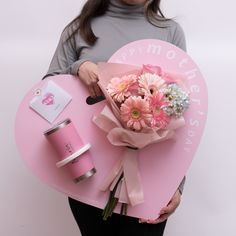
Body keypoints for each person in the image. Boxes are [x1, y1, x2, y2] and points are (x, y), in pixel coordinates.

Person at [44, 0, 186, 235]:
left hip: (151, 180)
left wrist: (176, 184)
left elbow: (181, 112)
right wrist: (78, 67)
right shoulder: (79, 30)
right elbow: (44, 99)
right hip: (90, 178)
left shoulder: (170, 32)